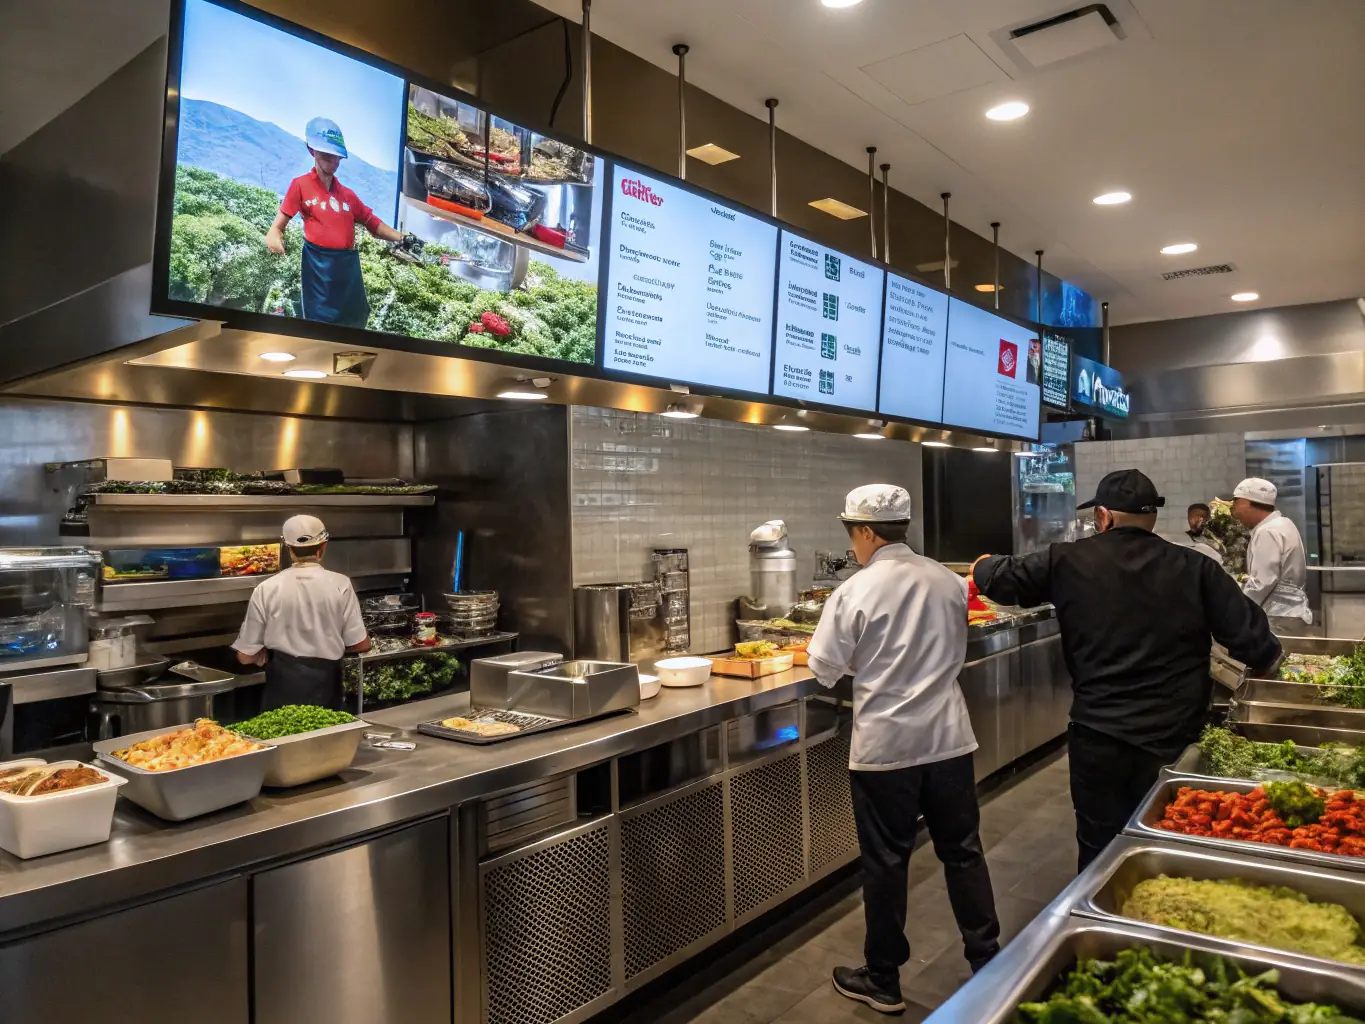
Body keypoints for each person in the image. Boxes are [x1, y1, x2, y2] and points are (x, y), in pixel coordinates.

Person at [972, 469, 1281, 872]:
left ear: (1103, 516)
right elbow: (1258, 645)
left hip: (1099, 737)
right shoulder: (1195, 567)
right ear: (1152, 518)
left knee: (1100, 844)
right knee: (1172, 834)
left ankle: (1104, 919)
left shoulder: (1066, 560)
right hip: (1174, 739)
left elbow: (997, 578)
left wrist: (982, 564)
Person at [809, 484, 999, 1015]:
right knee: (963, 852)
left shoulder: (855, 590)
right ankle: (991, 961)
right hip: (948, 740)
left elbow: (822, 670)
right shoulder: (945, 579)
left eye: (853, 535)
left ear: (867, 531)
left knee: (887, 863)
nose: (853, 546)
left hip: (886, 750)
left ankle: (884, 978)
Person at [263, 117, 411, 328]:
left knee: (355, 319)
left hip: (347, 268)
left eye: (336, 157)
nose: (332, 162)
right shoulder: (300, 186)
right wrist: (274, 238)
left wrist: (403, 239)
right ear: (312, 150)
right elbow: (277, 227)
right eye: (326, 155)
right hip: (319, 268)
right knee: (320, 324)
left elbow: (373, 224)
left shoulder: (348, 195)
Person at [233, 515, 370, 710]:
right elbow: (360, 644)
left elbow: (245, 656)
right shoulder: (341, 584)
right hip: (327, 689)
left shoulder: (266, 588)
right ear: (322, 546)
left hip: (281, 689)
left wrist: (262, 656)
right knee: (326, 737)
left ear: (287, 548)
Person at [1232, 477, 1312, 632]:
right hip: (1290, 613)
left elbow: (1263, 582)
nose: (1235, 511)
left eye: (1236, 503)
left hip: (1277, 616)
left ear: (1247, 502)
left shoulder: (1267, 532)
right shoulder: (1284, 523)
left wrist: (1237, 609)